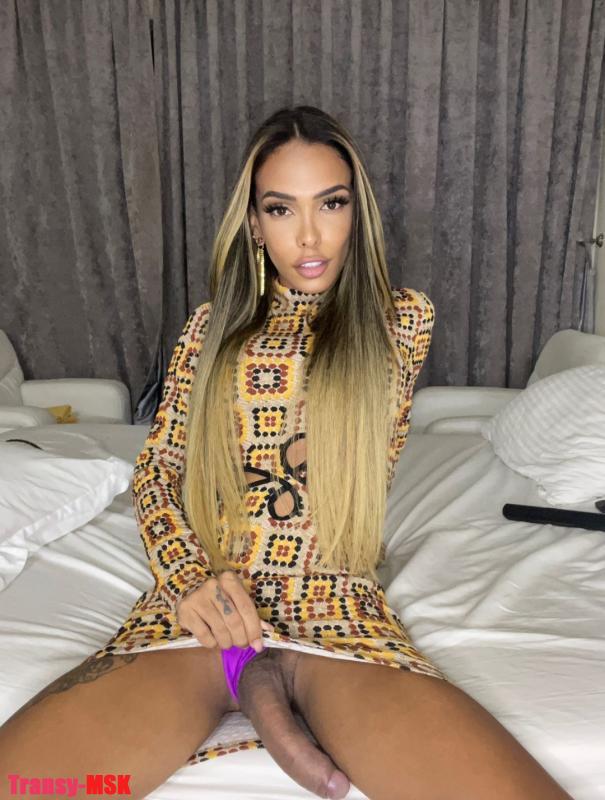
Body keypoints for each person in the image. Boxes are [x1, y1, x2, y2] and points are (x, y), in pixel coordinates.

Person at [0, 106, 574, 800]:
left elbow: (338, 456)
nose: (308, 235)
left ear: (356, 213)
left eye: (331, 204)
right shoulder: (208, 330)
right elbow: (159, 470)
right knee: (24, 785)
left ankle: (264, 675)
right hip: (208, 604)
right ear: (252, 223)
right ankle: (249, 672)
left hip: (335, 604)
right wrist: (186, 579)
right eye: (280, 209)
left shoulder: (400, 320)